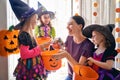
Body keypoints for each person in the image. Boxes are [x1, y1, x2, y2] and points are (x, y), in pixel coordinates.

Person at [9, 0, 50, 79]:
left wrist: (44, 47)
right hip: (29, 69)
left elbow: (34, 49)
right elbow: (24, 55)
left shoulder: (30, 33)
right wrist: (40, 47)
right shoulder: (24, 35)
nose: (37, 21)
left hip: (35, 64)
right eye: (36, 18)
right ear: (30, 19)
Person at [53, 15, 95, 80]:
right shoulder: (69, 38)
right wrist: (58, 45)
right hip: (70, 75)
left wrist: (66, 55)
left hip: (80, 77)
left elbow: (79, 70)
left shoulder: (88, 45)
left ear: (80, 26)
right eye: (67, 25)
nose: (67, 27)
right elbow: (65, 50)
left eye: (70, 24)